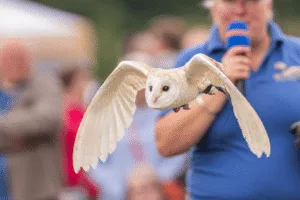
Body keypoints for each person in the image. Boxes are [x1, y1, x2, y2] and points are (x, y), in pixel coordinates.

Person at [155, 0, 300, 199]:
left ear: (268, 4)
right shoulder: (190, 61)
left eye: (250, 1)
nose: (240, 10)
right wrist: (220, 84)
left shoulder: (297, 54)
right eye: (230, 1)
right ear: (212, 6)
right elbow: (166, 143)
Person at [0, 41, 63, 200]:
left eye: (19, 58)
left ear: (29, 60)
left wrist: (4, 124)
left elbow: (46, 118)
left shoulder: (45, 85)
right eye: (9, 59)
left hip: (36, 190)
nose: (14, 64)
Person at [59, 65, 101, 200]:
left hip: (86, 181)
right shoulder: (66, 112)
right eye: (83, 80)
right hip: (73, 182)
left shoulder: (82, 110)